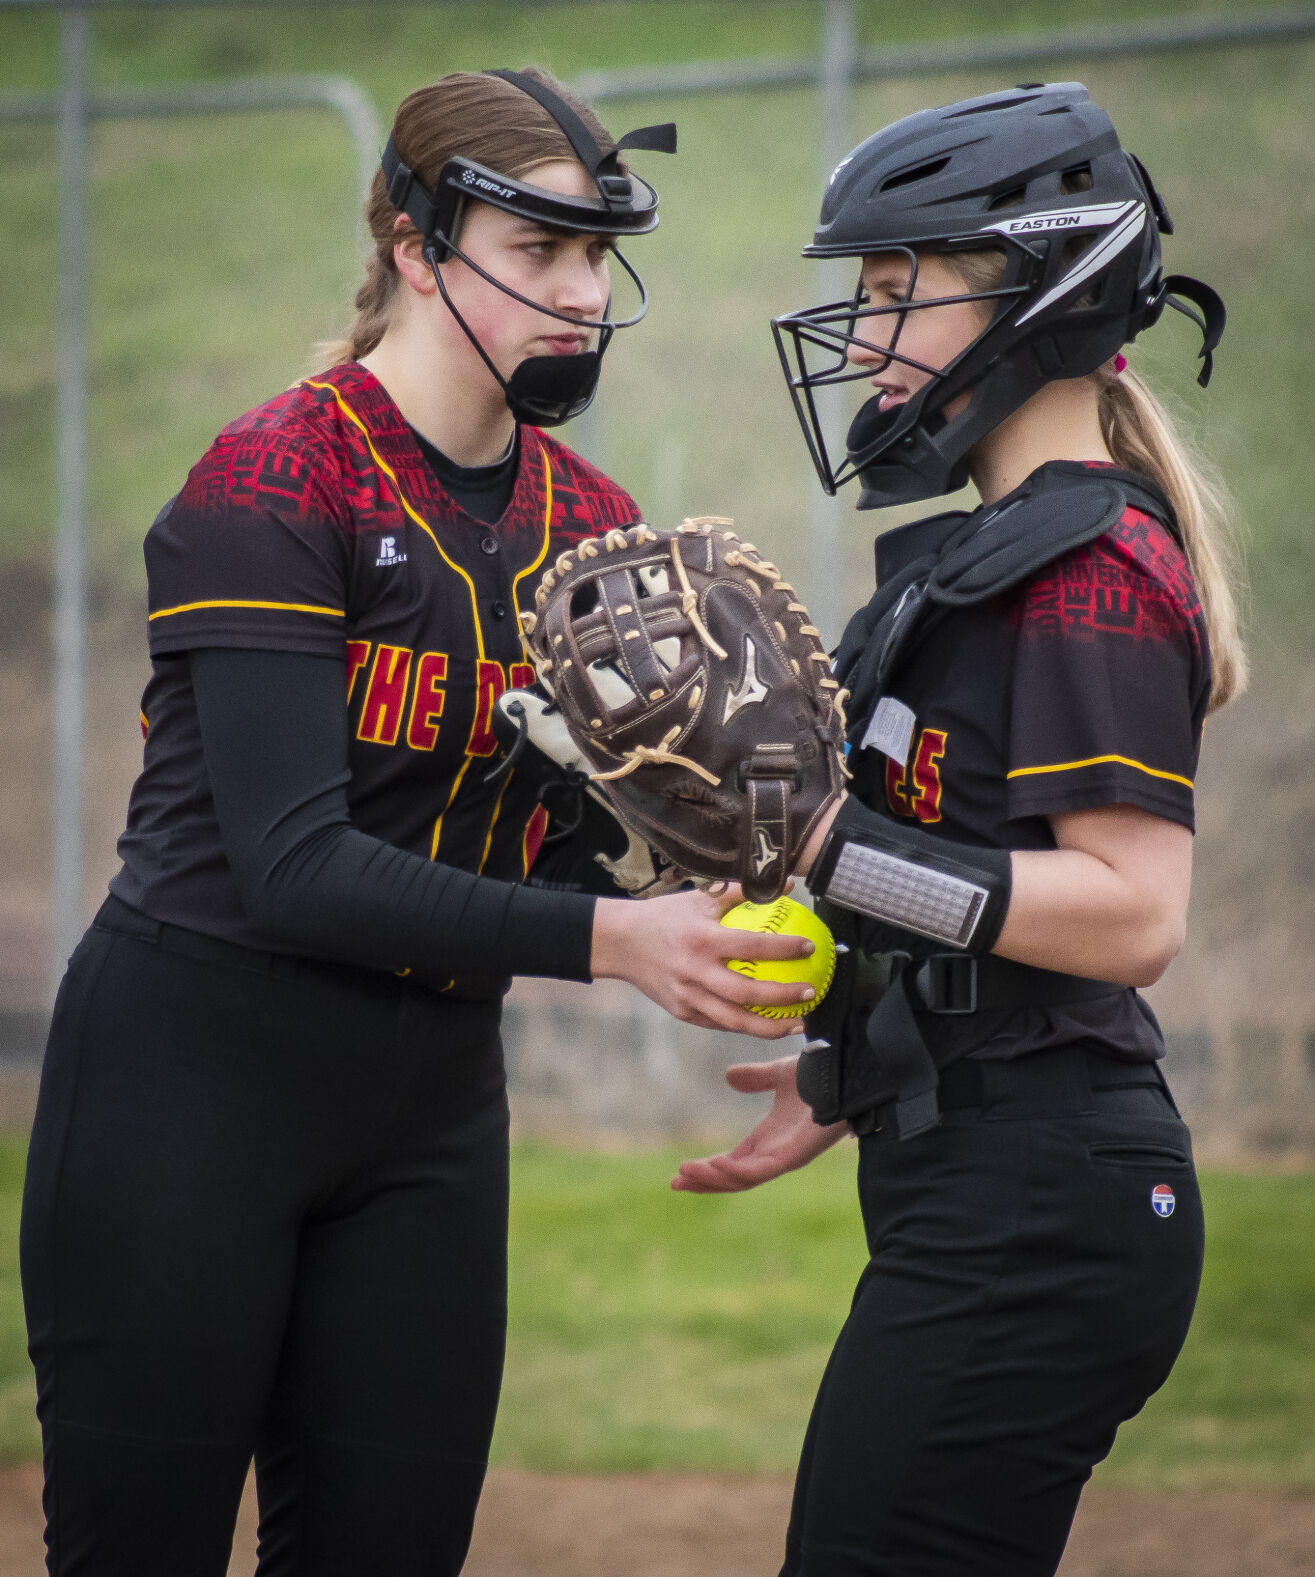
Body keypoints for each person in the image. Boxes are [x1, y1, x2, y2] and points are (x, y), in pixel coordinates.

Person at [19, 67, 815, 1577]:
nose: (582, 295)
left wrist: (731, 866)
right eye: (540, 252)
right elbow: (293, 863)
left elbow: (581, 834)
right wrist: (615, 940)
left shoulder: (592, 528)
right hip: (192, 1079)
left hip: (430, 1107)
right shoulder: (269, 478)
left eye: (599, 254)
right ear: (414, 243)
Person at [674, 82, 1245, 1577]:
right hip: (993, 1180)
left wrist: (820, 847)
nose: (859, 337)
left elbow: (1131, 913)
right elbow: (966, 877)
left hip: (1043, 1207)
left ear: (1036, 295)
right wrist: (857, 1066)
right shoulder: (992, 557)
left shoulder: (1090, 564)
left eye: (891, 289)